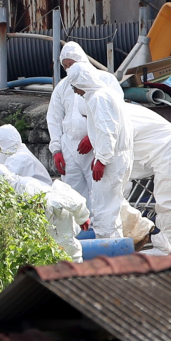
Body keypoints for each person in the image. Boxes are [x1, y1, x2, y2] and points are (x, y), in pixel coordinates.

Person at [67, 64, 133, 239]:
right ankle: (117, 251)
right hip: (120, 156)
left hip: (112, 159)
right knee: (112, 209)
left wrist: (102, 160)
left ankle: (106, 254)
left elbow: (106, 130)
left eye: (75, 86)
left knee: (103, 210)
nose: (75, 91)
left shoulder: (98, 98)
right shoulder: (107, 94)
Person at [120, 103, 171, 255]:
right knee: (115, 190)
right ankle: (127, 234)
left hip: (168, 146)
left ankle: (165, 246)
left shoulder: (110, 112)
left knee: (167, 196)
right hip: (145, 148)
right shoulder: (107, 107)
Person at [0, 161, 90, 262]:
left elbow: (67, 198)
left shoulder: (25, 186)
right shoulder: (18, 185)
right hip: (48, 219)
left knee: (67, 251)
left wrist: (82, 217)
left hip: (55, 215)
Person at [47, 42, 94, 208]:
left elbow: (109, 115)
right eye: (65, 66)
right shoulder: (62, 87)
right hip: (69, 148)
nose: (68, 69)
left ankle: (102, 231)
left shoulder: (97, 80)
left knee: (99, 193)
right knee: (73, 197)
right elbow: (54, 118)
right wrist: (57, 150)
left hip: (94, 149)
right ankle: (81, 231)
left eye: (71, 64)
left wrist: (93, 137)